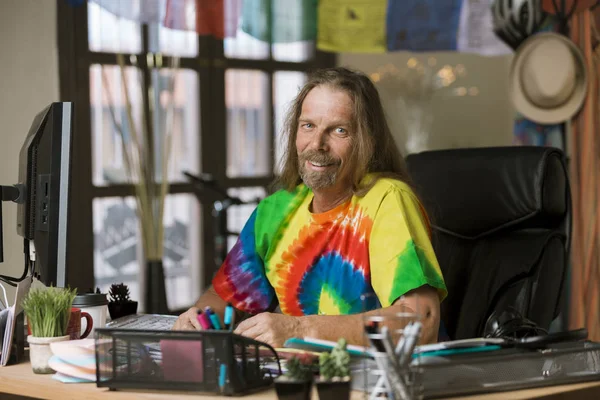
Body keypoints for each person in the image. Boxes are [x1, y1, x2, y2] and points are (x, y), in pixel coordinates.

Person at [173, 67, 447, 347]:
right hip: (298, 378)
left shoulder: (387, 200)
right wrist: (197, 318)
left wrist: (298, 328)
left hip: (379, 381)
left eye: (339, 130)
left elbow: (420, 321)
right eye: (308, 126)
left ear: (368, 141)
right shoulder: (276, 209)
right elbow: (223, 297)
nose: (317, 144)